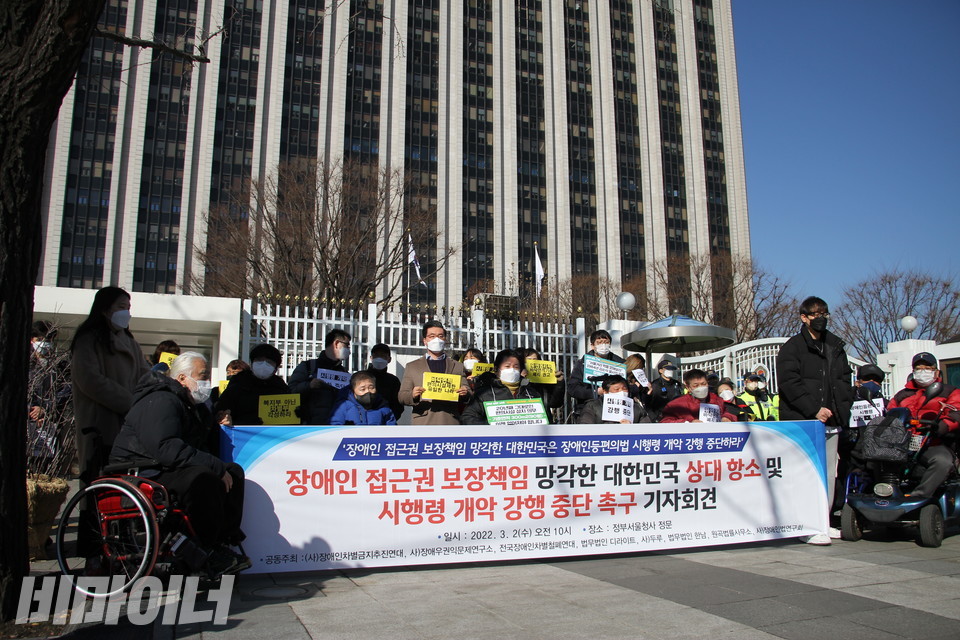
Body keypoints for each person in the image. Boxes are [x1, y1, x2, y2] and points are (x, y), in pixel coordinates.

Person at [110, 352, 249, 577]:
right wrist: (213, 465)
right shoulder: (161, 400)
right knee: (203, 479)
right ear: (183, 378)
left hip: (166, 465)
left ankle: (222, 541)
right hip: (142, 469)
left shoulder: (192, 405)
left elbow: (199, 446)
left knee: (233, 472)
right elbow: (165, 447)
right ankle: (205, 549)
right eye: (202, 376)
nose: (206, 383)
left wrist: (216, 425)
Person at [776, 296, 852, 545]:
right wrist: (813, 409)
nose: (821, 318)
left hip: (832, 421)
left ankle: (823, 520)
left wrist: (842, 409)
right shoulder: (793, 347)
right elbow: (789, 383)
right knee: (806, 472)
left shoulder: (835, 345)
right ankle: (805, 524)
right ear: (804, 317)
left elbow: (843, 382)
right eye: (815, 314)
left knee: (829, 473)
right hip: (803, 421)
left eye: (824, 313)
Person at [70, 287, 150, 487]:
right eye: (121, 307)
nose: (127, 312)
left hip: (127, 422)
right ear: (105, 309)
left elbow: (144, 374)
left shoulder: (130, 341)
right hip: (99, 421)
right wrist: (128, 401)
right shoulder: (88, 338)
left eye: (129, 307)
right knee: (97, 479)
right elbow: (89, 380)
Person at [887, 352, 960, 498]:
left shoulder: (951, 391)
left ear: (936, 371)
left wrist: (941, 426)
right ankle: (886, 493)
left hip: (933, 443)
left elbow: (955, 414)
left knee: (942, 462)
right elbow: (890, 414)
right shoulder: (901, 395)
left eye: (927, 368)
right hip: (903, 443)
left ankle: (919, 496)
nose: (922, 371)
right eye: (918, 368)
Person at [399, 321, 470, 424]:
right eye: (431, 336)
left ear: (445, 339)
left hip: (450, 420)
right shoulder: (412, 366)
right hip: (423, 422)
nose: (436, 339)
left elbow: (468, 392)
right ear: (425, 340)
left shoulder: (457, 366)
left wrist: (465, 392)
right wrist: (413, 395)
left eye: (440, 336)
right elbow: (402, 396)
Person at [216, 343, 292, 425]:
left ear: (275, 369)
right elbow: (220, 412)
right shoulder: (237, 386)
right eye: (259, 360)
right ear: (251, 364)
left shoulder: (281, 388)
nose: (263, 364)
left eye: (269, 362)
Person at [461, 349, 543, 425]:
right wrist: (491, 426)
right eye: (507, 366)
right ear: (496, 369)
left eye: (516, 367)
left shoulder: (531, 393)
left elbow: (544, 419)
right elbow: (467, 417)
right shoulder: (485, 393)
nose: (512, 370)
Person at [288, 329, 352, 424]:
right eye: (347, 345)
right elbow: (290, 392)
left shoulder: (343, 372)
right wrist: (309, 385)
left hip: (336, 427)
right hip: (310, 427)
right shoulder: (308, 367)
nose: (349, 351)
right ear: (337, 343)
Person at [567, 330, 625, 421]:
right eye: (599, 342)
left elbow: (628, 386)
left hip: (614, 409)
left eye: (606, 342)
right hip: (588, 410)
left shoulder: (619, 364)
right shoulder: (582, 364)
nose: (603, 345)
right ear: (592, 346)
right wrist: (595, 391)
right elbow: (573, 388)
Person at [660, 369, 736, 423]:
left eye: (704, 384)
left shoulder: (716, 399)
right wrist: (687, 423)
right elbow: (665, 422)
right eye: (696, 385)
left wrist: (727, 417)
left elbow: (728, 412)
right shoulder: (676, 405)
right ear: (688, 387)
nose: (701, 387)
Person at [329, 371, 398, 426]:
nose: (368, 391)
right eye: (362, 389)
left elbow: (392, 430)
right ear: (353, 391)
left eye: (371, 388)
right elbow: (335, 427)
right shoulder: (343, 407)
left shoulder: (384, 408)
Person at [579, 375, 651, 424]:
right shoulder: (593, 407)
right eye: (616, 389)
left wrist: (631, 428)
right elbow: (585, 427)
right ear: (605, 392)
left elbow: (647, 429)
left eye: (624, 388)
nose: (621, 392)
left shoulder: (636, 408)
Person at [521, 347, 566, 421]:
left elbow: (555, 403)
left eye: (535, 359)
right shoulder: (517, 379)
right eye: (529, 360)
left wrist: (559, 383)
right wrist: (521, 379)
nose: (532, 362)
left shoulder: (545, 383)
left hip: (544, 420)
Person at [367, 343, 403, 421]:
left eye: (383, 356)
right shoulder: (361, 377)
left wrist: (389, 419)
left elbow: (398, 406)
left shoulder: (393, 381)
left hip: (386, 424)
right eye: (376, 355)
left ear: (389, 359)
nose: (379, 358)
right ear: (371, 358)